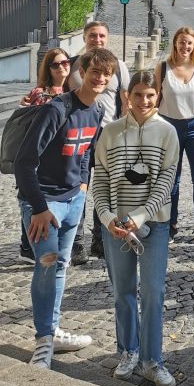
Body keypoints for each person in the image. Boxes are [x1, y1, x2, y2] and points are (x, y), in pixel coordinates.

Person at [14, 48, 115, 370]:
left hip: (73, 201)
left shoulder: (96, 111)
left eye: (105, 74)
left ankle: (52, 331)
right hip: (44, 203)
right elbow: (24, 163)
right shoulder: (56, 109)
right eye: (94, 72)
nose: (99, 78)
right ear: (81, 72)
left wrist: (83, 189)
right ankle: (44, 340)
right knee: (46, 264)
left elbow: (86, 153)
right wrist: (41, 209)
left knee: (59, 267)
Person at [93, 70, 180, 386]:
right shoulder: (111, 132)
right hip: (115, 226)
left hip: (153, 225)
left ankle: (152, 360)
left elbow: (166, 182)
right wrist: (106, 217)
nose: (144, 100)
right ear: (127, 96)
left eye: (150, 94)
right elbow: (100, 180)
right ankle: (128, 351)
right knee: (123, 293)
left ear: (158, 96)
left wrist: (142, 216)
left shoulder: (168, 132)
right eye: (138, 94)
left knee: (154, 293)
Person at [67, 20, 131, 264]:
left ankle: (99, 239)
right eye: (93, 35)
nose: (97, 39)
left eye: (102, 35)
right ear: (85, 37)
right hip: (80, 134)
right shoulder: (75, 65)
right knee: (79, 188)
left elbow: (125, 101)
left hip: (108, 134)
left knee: (105, 190)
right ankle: (76, 242)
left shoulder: (119, 66)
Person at [155, 26, 194, 244]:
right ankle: (171, 225)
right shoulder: (163, 67)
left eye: (189, 43)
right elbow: (155, 100)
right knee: (172, 178)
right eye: (182, 42)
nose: (185, 46)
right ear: (175, 43)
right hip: (169, 127)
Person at [17, 48, 72, 262]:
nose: (62, 67)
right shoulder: (40, 93)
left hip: (63, 156)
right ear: (48, 68)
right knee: (32, 196)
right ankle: (28, 245)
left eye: (65, 62)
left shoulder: (73, 91)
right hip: (39, 155)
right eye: (56, 64)